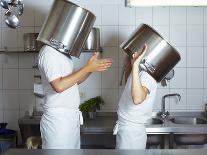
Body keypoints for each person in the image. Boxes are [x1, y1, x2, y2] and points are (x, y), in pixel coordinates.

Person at [38, 45, 112, 149]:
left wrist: (91, 69)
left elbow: (74, 81)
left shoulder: (63, 53)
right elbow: (59, 86)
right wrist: (87, 68)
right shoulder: (49, 52)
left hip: (70, 120)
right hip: (58, 122)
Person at [113, 44, 158, 149]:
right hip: (127, 131)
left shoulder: (148, 76)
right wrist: (132, 66)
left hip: (132, 135)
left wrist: (135, 64)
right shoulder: (139, 73)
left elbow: (137, 99)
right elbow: (130, 91)